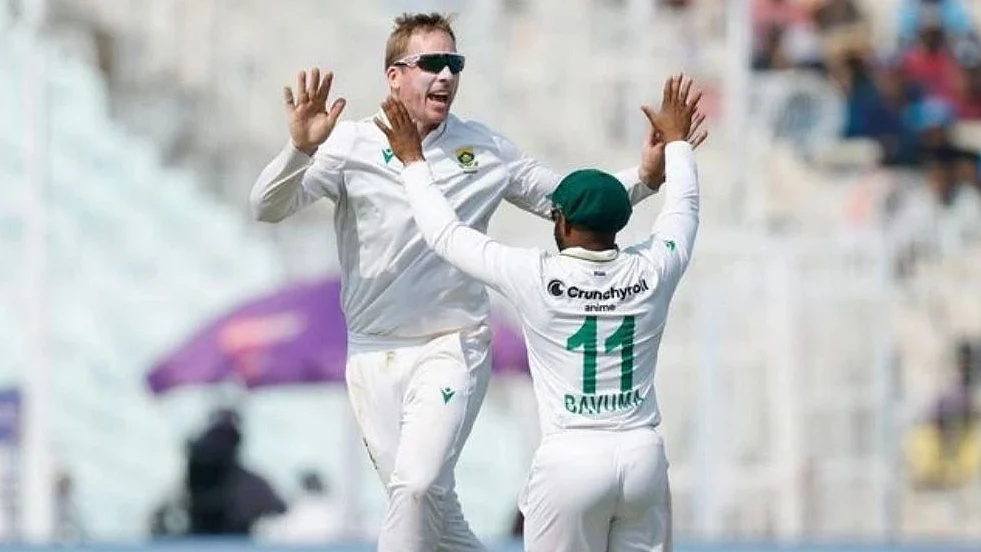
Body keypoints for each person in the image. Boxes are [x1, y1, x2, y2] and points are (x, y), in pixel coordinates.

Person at [250, 12, 706, 551]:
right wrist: (299, 149)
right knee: (432, 509)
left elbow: (569, 201)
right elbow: (267, 207)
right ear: (394, 75)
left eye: (454, 63)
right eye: (431, 64)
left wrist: (645, 178)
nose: (445, 76)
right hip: (374, 350)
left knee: (416, 487)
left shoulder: (485, 148)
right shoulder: (347, 144)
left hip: (452, 345)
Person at [376, 74, 701, 551]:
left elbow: (444, 234)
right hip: (642, 455)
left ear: (563, 222)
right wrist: (677, 147)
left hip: (570, 459)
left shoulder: (534, 275)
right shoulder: (656, 266)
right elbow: (686, 205)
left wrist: (412, 161)